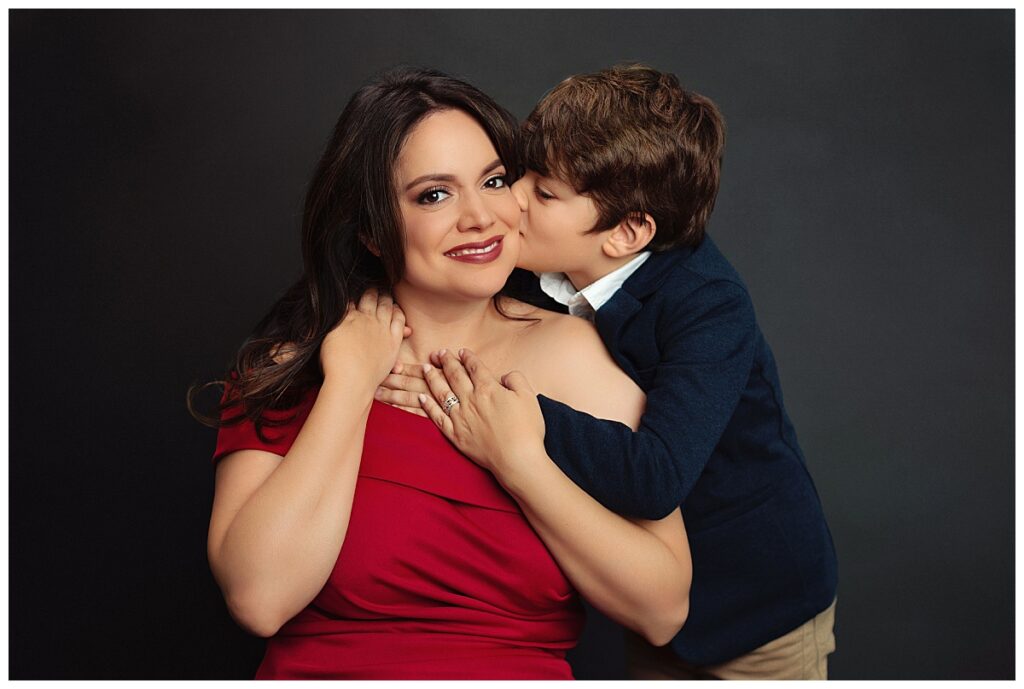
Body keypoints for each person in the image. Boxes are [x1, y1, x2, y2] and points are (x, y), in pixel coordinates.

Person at [191, 66, 690, 680]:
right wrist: (349, 384)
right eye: (434, 194)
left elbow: (663, 609)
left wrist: (518, 461)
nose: (480, 217)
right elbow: (260, 600)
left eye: (495, 180)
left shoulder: (577, 354)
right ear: (373, 231)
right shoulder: (292, 370)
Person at [382, 63, 838, 680]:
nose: (509, 199)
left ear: (626, 233)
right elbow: (434, 272)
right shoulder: (536, 262)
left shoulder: (709, 305)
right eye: (521, 173)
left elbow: (656, 478)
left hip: (758, 603)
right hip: (634, 591)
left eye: (543, 193)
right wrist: (371, 311)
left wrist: (505, 415)